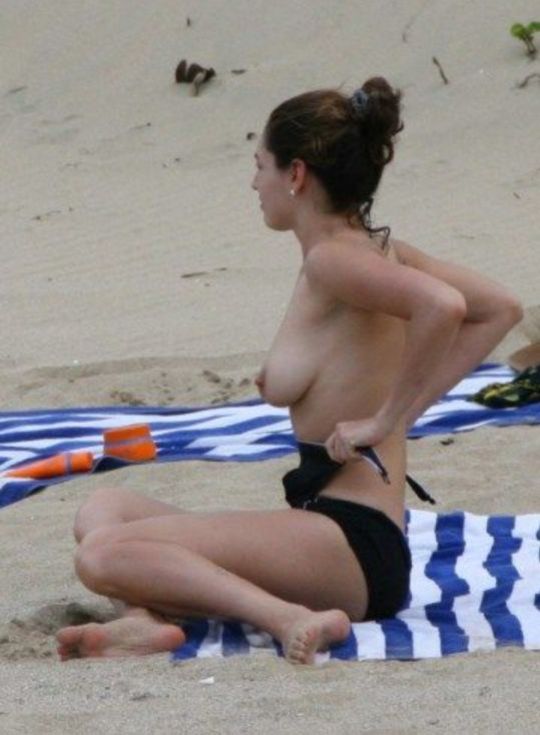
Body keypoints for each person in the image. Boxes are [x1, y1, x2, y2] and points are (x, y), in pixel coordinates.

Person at [56, 78, 523, 664]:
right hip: (327, 533)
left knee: (101, 556)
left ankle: (286, 618)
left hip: (353, 545)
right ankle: (145, 620)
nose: (255, 183)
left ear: (296, 174)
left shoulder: (334, 260)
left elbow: (447, 306)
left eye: (261, 167)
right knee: (104, 511)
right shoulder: (371, 253)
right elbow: (499, 308)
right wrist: (401, 410)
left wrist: (387, 419)